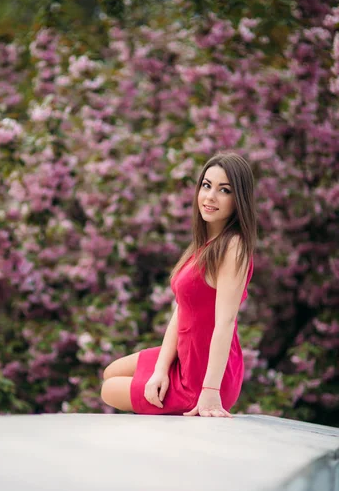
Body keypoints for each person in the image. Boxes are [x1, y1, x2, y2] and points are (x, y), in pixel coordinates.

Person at [101, 151, 257, 417]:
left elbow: (225, 323)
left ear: (238, 199)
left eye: (224, 190)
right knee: (111, 372)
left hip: (204, 377)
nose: (210, 197)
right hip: (184, 356)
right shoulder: (205, 245)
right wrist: (161, 369)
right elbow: (181, 310)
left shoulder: (233, 246)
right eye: (207, 186)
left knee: (110, 389)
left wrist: (210, 390)